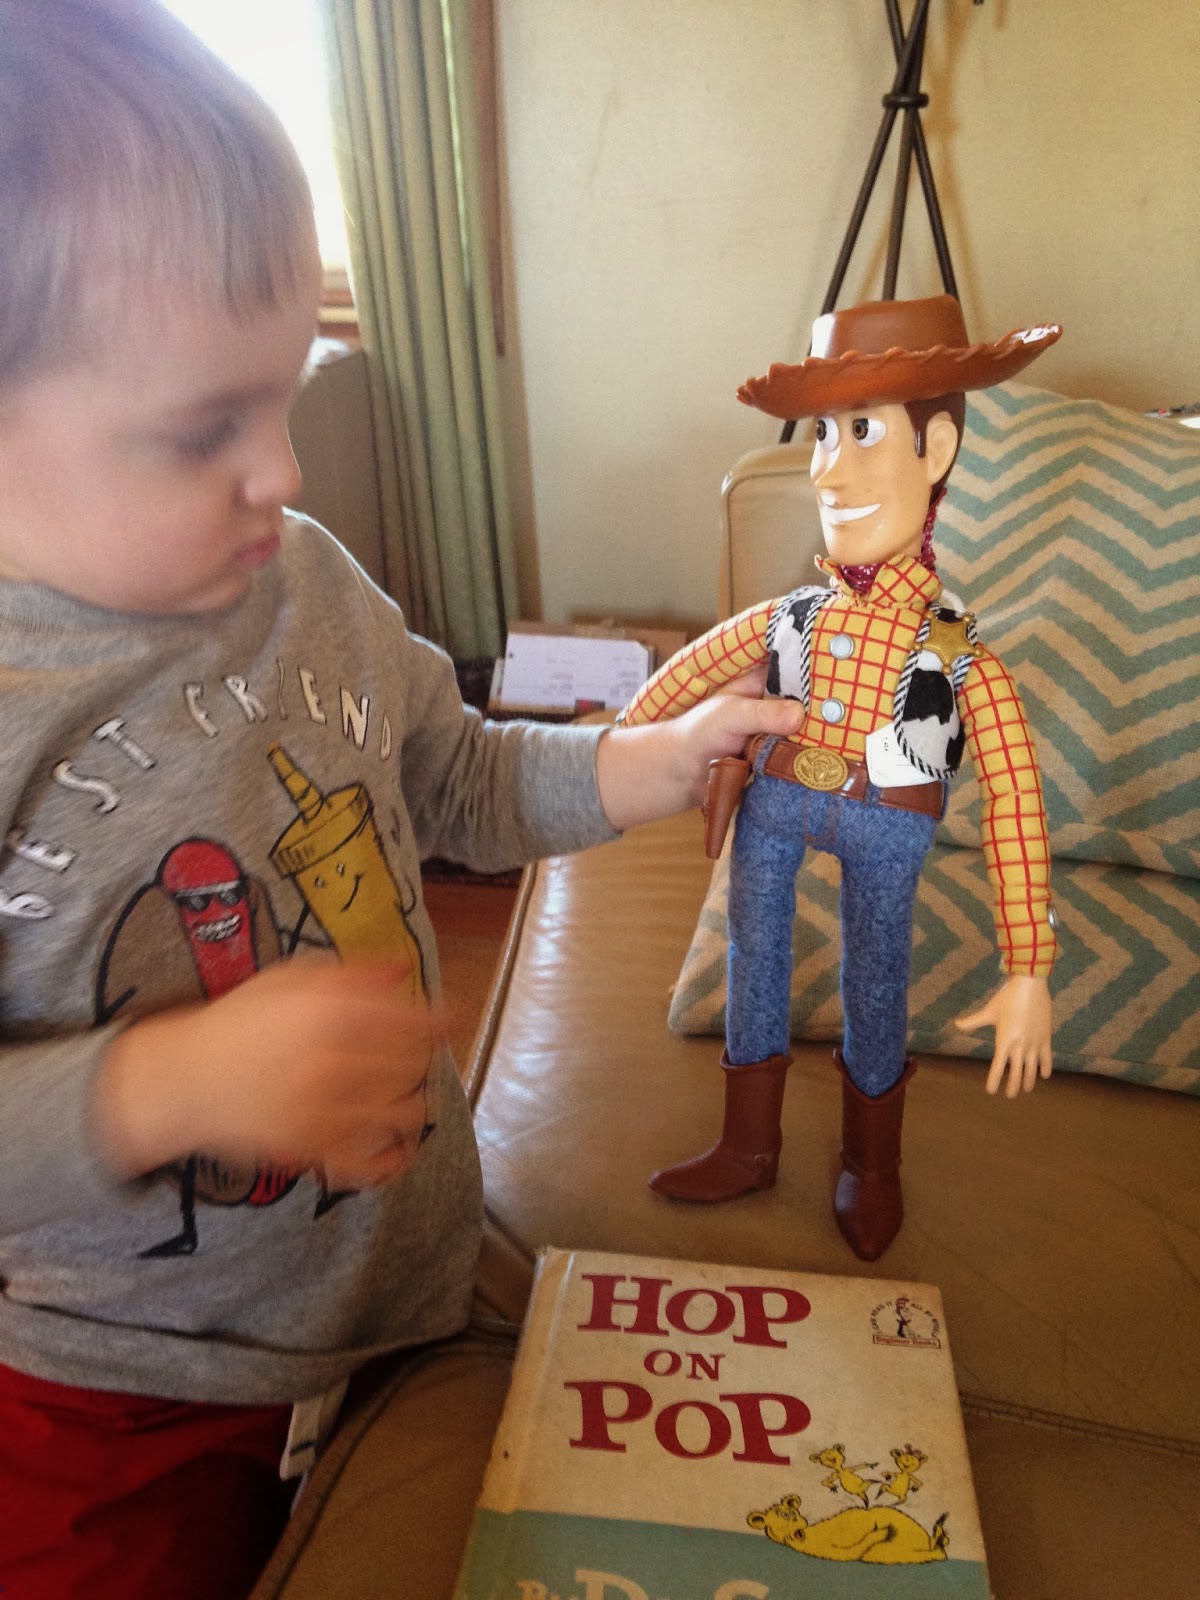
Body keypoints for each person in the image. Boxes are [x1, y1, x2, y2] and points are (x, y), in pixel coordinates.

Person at [0, 3, 804, 1594]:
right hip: (122, 1388)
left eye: (284, 396)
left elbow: (458, 775)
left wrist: (645, 760)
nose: (285, 473)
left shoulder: (306, 577)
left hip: (403, 1291)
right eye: (202, 433)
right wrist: (161, 1088)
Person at [620, 295, 1062, 1262]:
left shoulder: (957, 648)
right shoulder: (795, 615)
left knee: (876, 979)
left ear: (936, 450)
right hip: (776, 802)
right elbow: (688, 674)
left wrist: (1029, 964)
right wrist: (611, 751)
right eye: (822, 433)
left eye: (861, 431)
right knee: (753, 955)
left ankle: (873, 1164)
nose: (826, 466)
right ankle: (747, 1146)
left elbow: (1016, 798)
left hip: (888, 822)